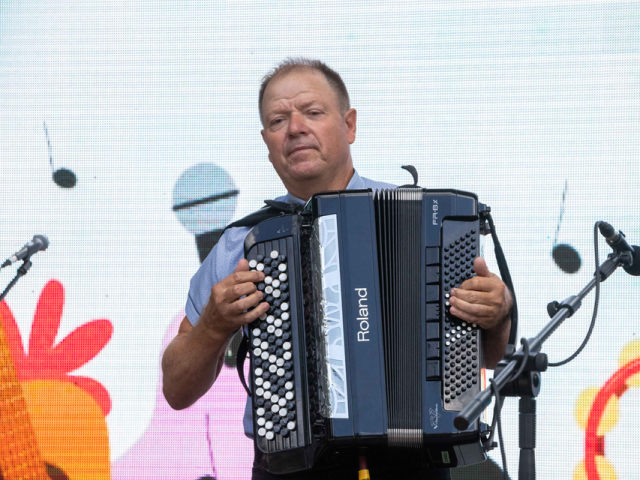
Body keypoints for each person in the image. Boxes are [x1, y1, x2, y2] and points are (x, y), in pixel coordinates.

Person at [162, 58, 513, 480]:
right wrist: (214, 326)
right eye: (278, 120)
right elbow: (177, 390)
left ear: (349, 125)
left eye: (312, 112)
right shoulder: (240, 243)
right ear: (266, 141)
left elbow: (491, 354)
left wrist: (496, 314)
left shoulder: (425, 220)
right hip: (295, 468)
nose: (294, 128)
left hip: (413, 462)